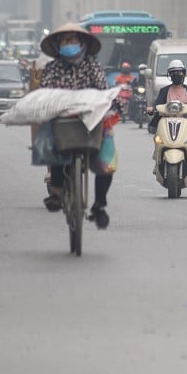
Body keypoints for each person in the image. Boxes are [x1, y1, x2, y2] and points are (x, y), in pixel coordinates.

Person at [38, 23, 113, 229]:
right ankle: (57, 192)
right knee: (50, 139)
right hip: (63, 122)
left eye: (72, 40)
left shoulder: (92, 66)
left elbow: (103, 90)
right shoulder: (52, 68)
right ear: (58, 44)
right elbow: (45, 92)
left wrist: (110, 105)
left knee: (106, 162)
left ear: (82, 44)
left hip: (91, 121)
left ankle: (99, 205)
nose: (68, 43)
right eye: (65, 40)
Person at [148, 59, 187, 134]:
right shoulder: (164, 90)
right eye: (173, 73)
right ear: (169, 75)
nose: (176, 74)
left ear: (183, 74)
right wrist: (152, 108)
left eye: (179, 72)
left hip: (186, 123)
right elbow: (158, 103)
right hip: (167, 124)